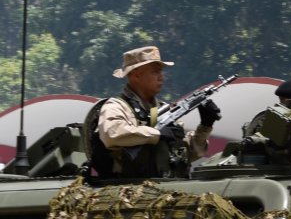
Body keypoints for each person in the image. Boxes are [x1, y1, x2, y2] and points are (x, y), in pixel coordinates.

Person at [81, 44, 219, 180]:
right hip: (130, 191)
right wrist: (157, 134)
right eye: (155, 72)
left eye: (161, 72)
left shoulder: (163, 110)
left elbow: (188, 153)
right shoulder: (116, 106)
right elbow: (112, 134)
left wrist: (205, 126)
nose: (161, 77)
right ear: (135, 75)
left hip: (168, 187)